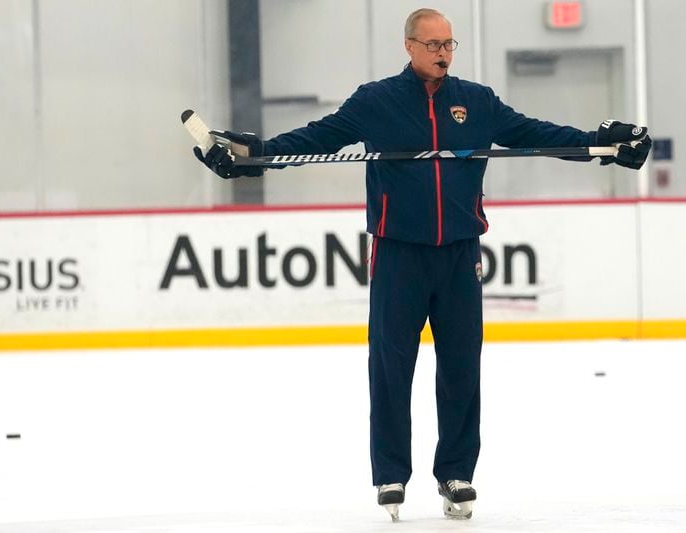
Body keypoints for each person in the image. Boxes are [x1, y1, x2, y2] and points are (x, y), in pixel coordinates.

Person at [194, 8, 651, 521]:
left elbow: (533, 133)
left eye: (449, 45)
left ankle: (456, 473)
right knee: (391, 367)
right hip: (398, 253)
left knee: (461, 366)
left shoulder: (475, 102)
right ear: (409, 46)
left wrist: (601, 145)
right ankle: (391, 474)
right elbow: (318, 138)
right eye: (433, 45)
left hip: (459, 255)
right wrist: (257, 154)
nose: (443, 54)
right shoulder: (377, 102)